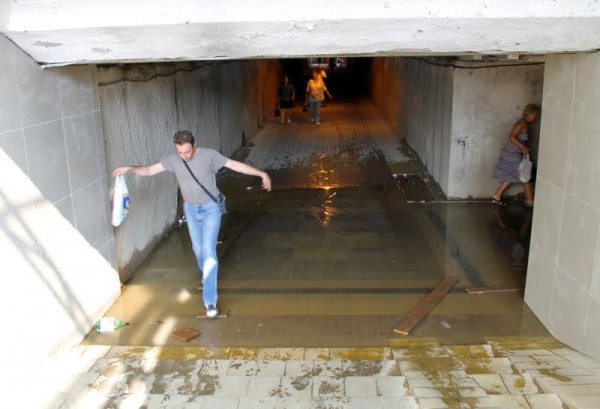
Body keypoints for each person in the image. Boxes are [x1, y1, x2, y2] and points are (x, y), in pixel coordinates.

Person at [112, 130, 272, 318]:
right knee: (198, 249)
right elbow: (150, 170)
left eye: (188, 151)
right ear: (176, 149)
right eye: (181, 152)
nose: (185, 156)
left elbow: (235, 165)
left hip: (211, 208)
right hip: (191, 209)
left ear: (195, 146)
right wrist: (130, 168)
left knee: (209, 251)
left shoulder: (209, 156)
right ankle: (206, 275)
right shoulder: (173, 160)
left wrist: (261, 173)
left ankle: (210, 302)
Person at [491, 104, 540, 207]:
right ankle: (530, 200)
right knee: (525, 175)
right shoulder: (521, 124)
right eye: (535, 115)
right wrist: (523, 148)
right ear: (530, 114)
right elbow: (511, 137)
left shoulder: (523, 123)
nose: (536, 117)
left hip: (514, 153)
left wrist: (523, 149)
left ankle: (497, 196)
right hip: (512, 154)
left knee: (513, 175)